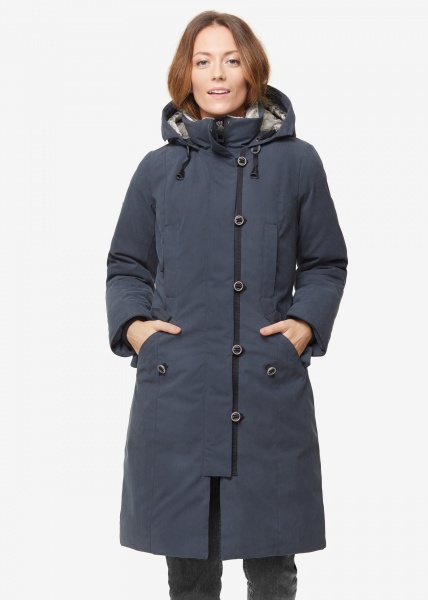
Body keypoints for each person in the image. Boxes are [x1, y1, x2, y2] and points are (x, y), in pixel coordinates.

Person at [105, 10, 348, 600]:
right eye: (204, 61)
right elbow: (126, 264)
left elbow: (325, 262)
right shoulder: (158, 170)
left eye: (231, 60)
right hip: (179, 391)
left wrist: (304, 325)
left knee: (272, 570)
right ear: (185, 73)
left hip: (266, 392)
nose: (217, 74)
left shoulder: (298, 162)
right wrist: (137, 328)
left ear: (252, 70)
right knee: (189, 572)